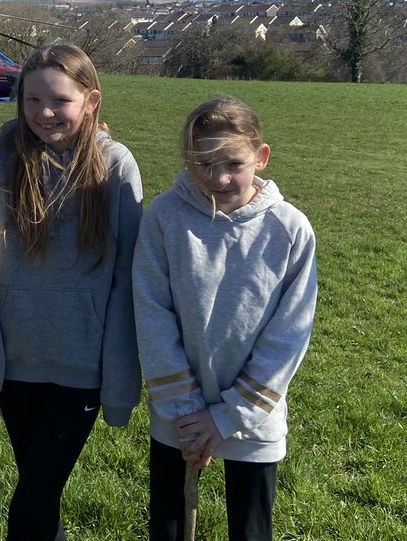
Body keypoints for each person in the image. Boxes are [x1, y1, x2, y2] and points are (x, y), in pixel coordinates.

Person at [0, 42, 144, 541]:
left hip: (81, 370)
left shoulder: (116, 165)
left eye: (60, 101)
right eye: (32, 100)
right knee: (40, 495)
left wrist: (117, 380)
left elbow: (127, 277)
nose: (44, 112)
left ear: (91, 101)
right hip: (19, 363)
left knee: (33, 500)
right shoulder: (0, 161)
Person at [133, 97, 318, 541]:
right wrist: (187, 409)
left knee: (252, 531)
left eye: (233, 163)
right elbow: (151, 314)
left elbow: (289, 335)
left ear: (262, 156)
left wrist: (228, 416)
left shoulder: (290, 229)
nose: (218, 178)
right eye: (203, 164)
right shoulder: (164, 217)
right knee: (169, 526)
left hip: (255, 416)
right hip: (179, 414)